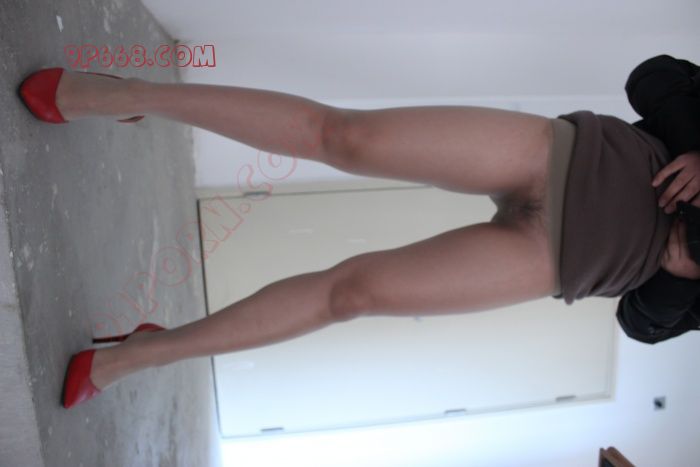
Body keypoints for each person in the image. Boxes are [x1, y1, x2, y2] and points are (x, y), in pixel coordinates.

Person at [16, 54, 697, 409]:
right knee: (343, 136)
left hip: (563, 261)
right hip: (574, 158)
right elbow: (654, 78)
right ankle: (126, 94)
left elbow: (641, 324)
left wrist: (682, 274)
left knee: (352, 296)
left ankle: (141, 354)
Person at [615, 54, 700, 344]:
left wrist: (678, 280)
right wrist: (692, 145)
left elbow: (638, 327)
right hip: (582, 159)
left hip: (573, 255)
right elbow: (650, 75)